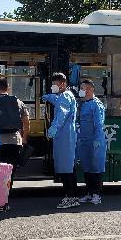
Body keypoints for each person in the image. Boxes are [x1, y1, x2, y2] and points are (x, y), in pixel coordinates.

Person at [42, 73, 79, 209]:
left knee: (65, 169)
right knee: (68, 167)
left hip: (64, 136)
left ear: (62, 84)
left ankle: (70, 197)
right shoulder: (66, 95)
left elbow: (61, 115)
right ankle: (72, 196)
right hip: (67, 135)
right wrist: (49, 97)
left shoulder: (64, 96)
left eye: (55, 84)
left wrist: (53, 128)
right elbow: (58, 101)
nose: (53, 87)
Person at [76, 79, 107, 205]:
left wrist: (97, 139)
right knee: (87, 168)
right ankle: (89, 193)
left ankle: (96, 195)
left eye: (82, 88)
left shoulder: (96, 104)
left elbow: (99, 124)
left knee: (96, 168)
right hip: (84, 141)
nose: (80, 91)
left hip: (95, 141)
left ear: (90, 89)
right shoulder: (83, 104)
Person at [0, 78, 30, 172]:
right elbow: (26, 122)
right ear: (8, 88)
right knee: (10, 172)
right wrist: (24, 138)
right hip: (15, 142)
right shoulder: (18, 102)